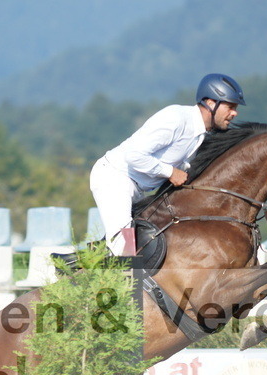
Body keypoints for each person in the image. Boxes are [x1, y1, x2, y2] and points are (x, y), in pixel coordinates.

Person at [89, 73, 246, 256]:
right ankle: (123, 280)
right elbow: (134, 155)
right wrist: (170, 172)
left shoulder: (202, 133)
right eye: (230, 106)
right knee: (125, 247)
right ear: (211, 103)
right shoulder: (176, 119)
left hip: (138, 188)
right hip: (114, 178)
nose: (234, 113)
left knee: (152, 239)